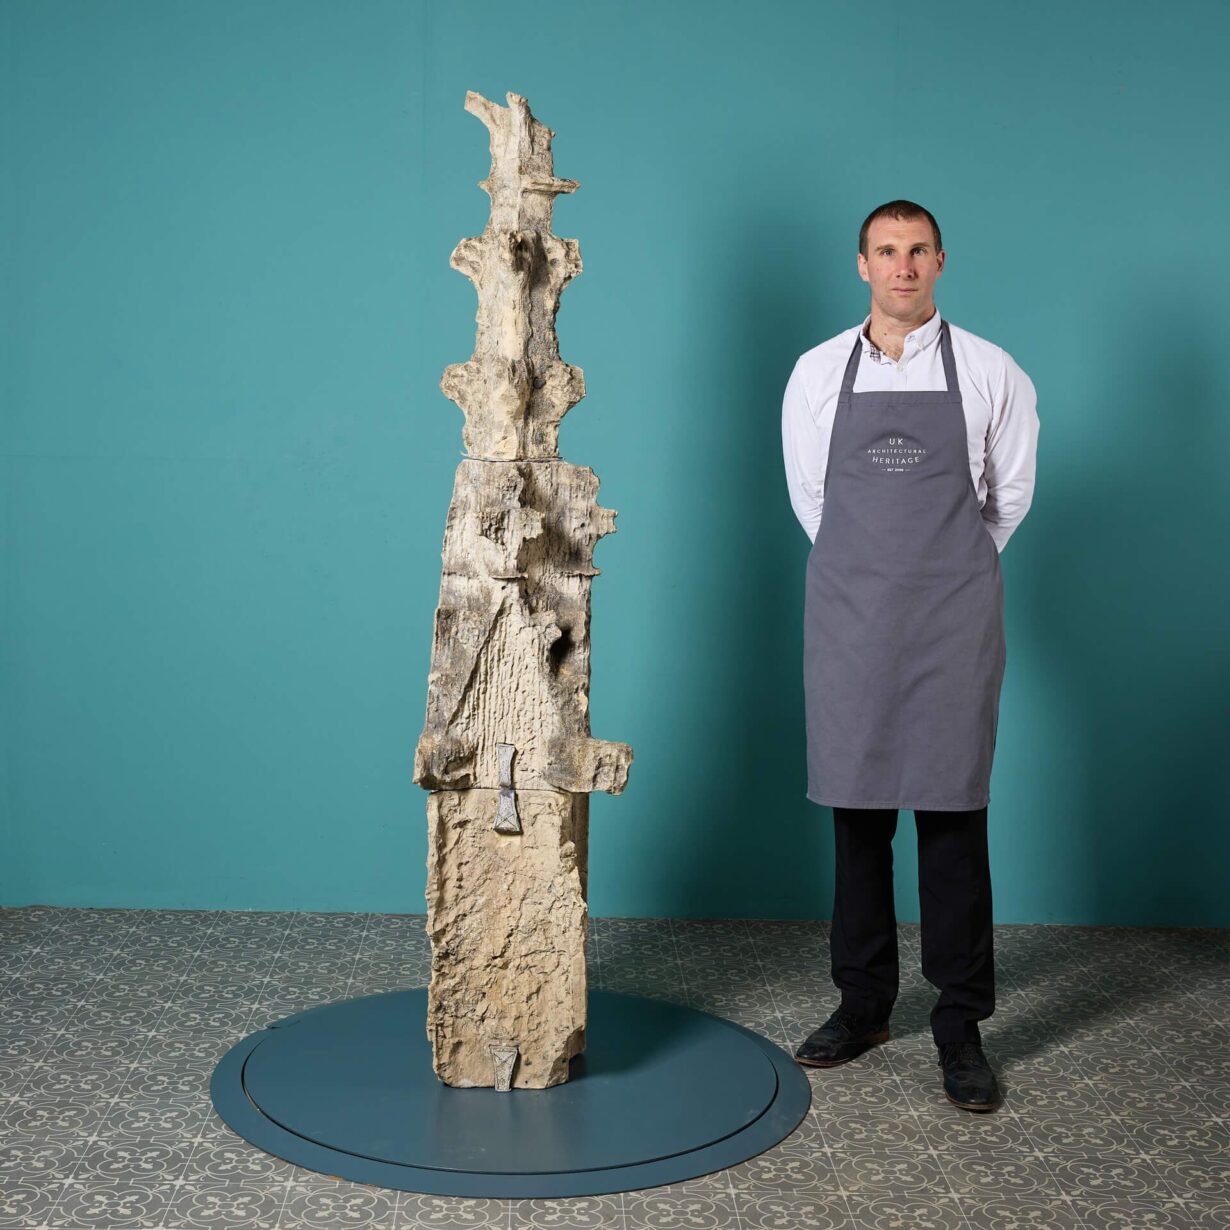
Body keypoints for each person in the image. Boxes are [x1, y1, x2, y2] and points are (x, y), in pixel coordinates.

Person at [780, 200, 1039, 1112]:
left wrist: (943, 571)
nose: (903, 266)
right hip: (851, 617)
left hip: (953, 620)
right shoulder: (817, 372)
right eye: (886, 251)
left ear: (939, 262)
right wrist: (873, 572)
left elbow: (1007, 499)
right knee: (857, 817)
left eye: (917, 250)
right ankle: (863, 1006)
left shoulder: (993, 370)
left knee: (953, 817)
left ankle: (960, 1027)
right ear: (863, 265)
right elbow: (813, 498)